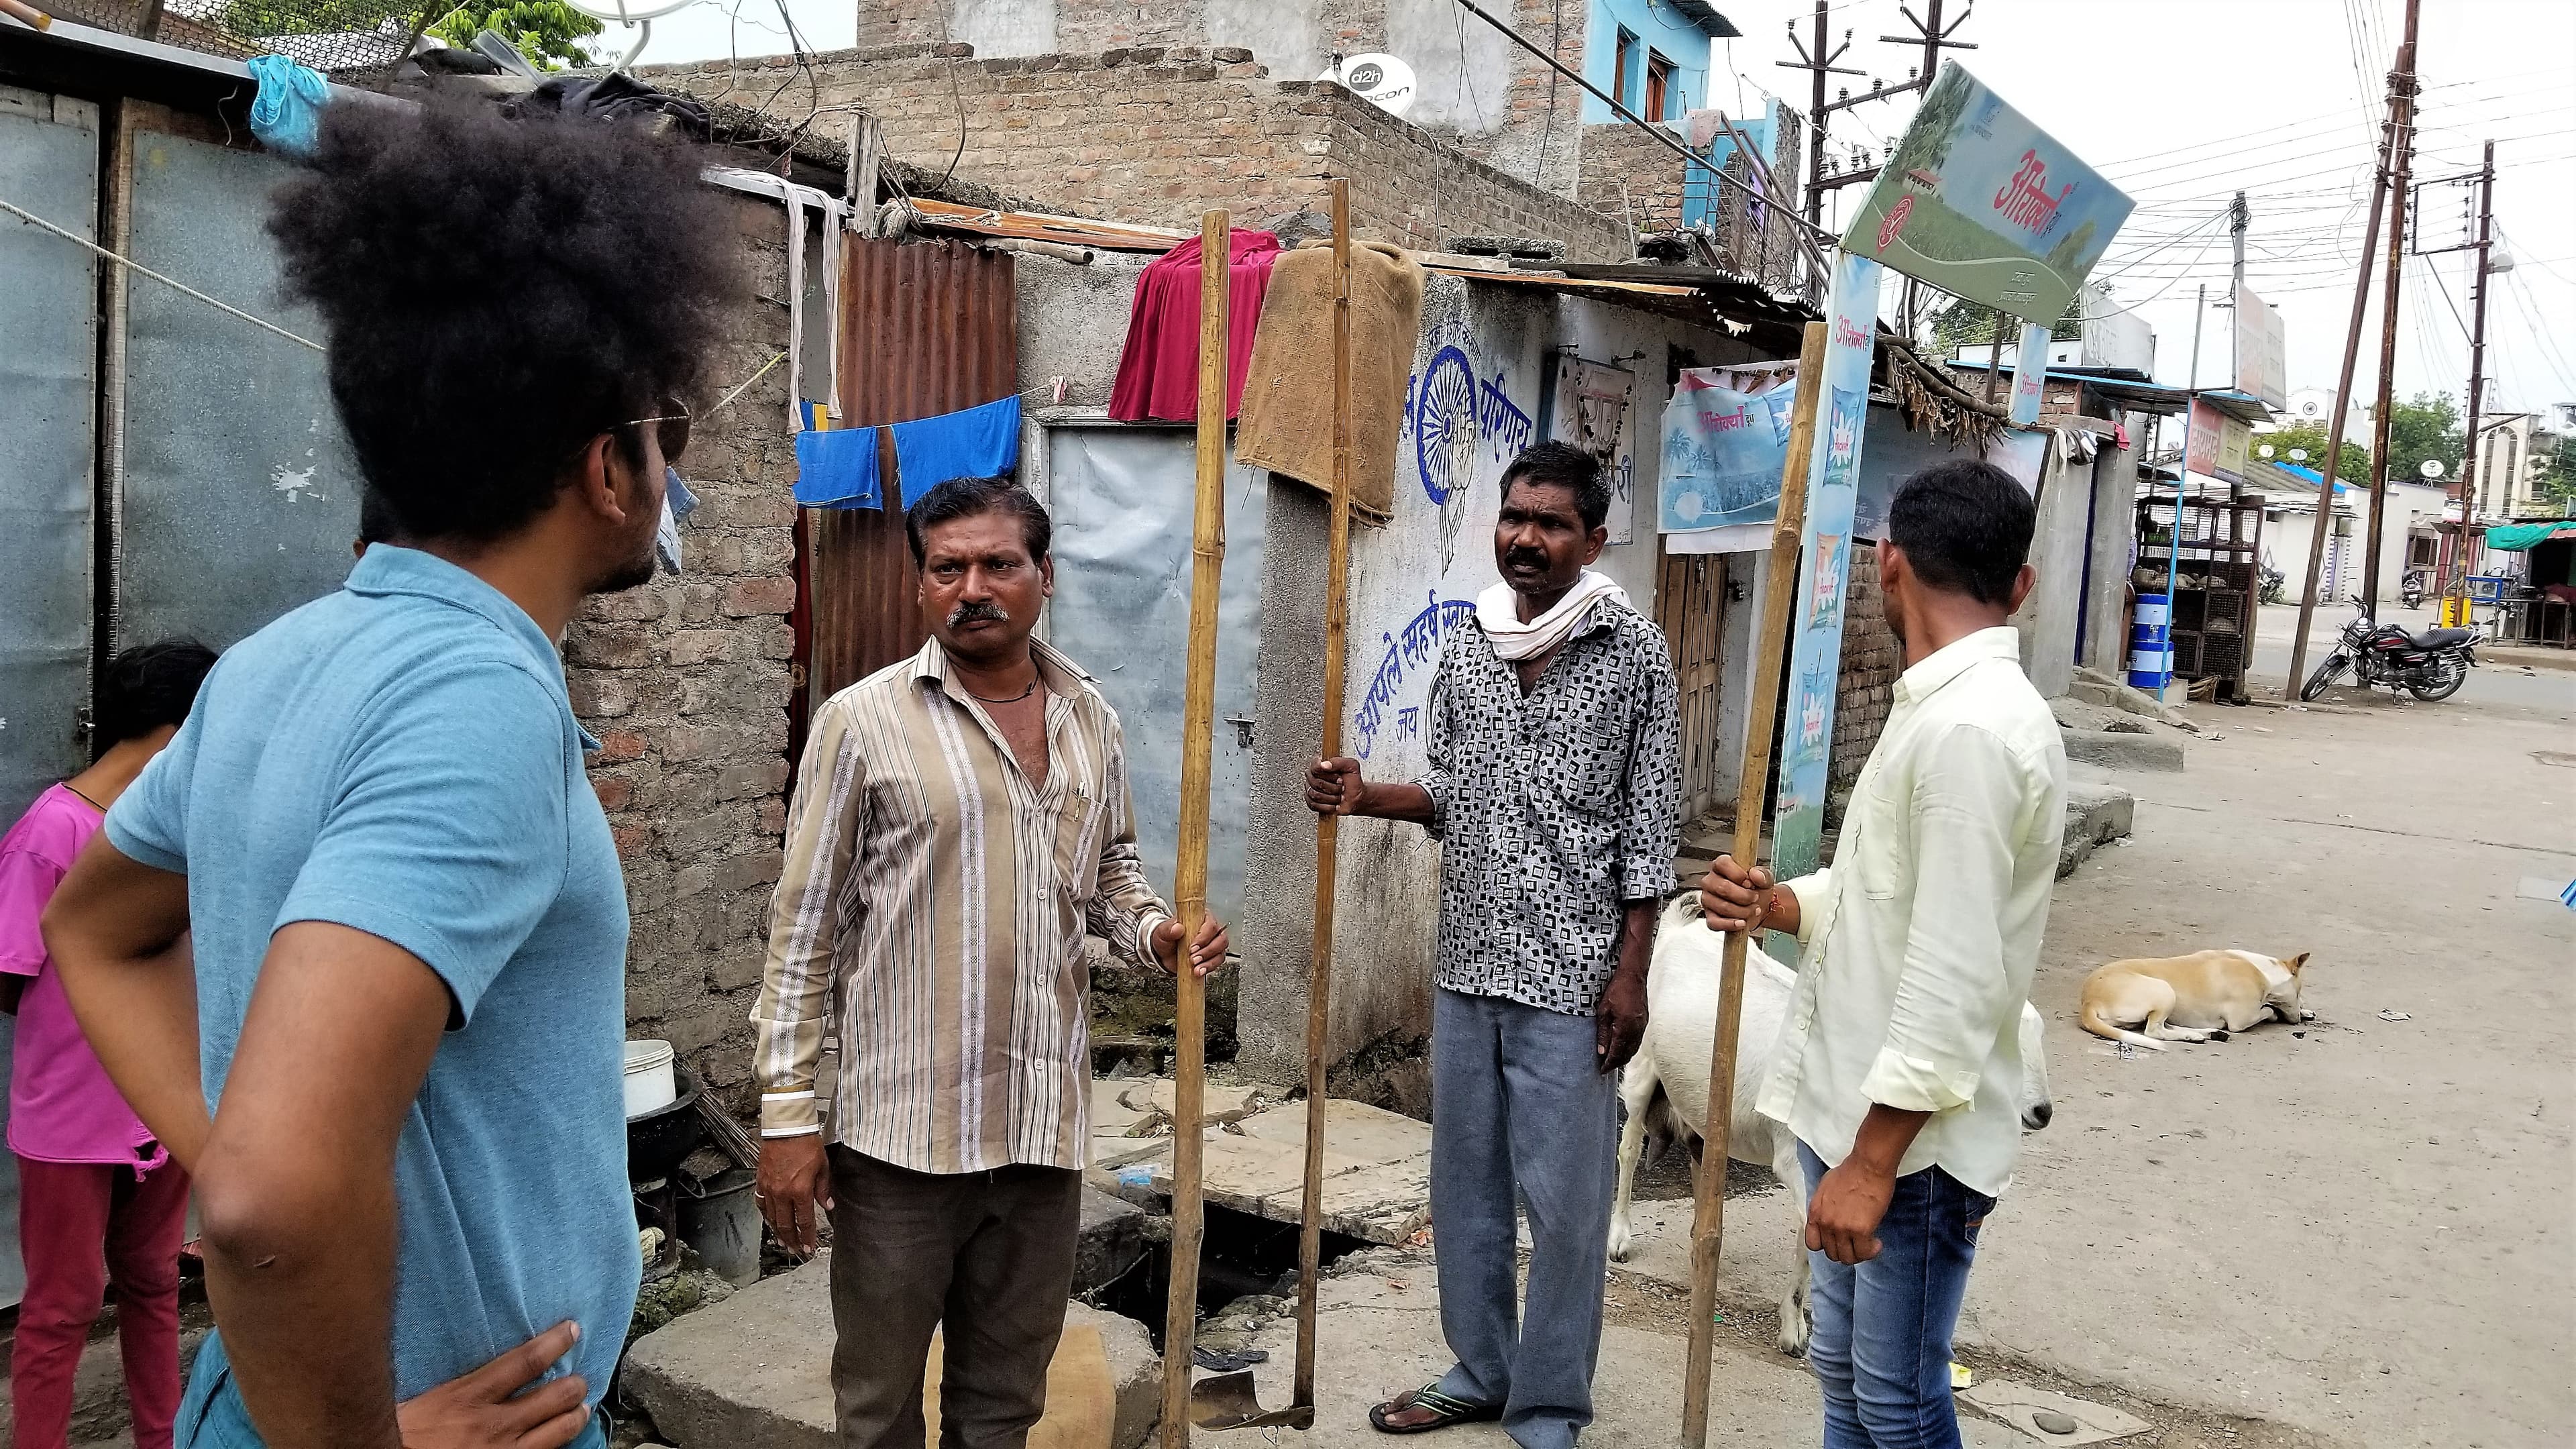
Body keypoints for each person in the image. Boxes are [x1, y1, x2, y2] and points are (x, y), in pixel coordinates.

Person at [38, 100, 741, 1449]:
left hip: (269, 1391)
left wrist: (223, 1136)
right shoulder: (477, 702)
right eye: (670, 433)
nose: (673, 469)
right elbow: (269, 1199)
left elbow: (97, 928)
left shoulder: (273, 662)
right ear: (610, 469)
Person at [753, 475, 1230, 1449]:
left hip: (1038, 1130)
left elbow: (1110, 874)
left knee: (1005, 1401)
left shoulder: (1087, 717)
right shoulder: (862, 722)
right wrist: (788, 1119)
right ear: (919, 588)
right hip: (901, 1139)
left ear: (1042, 577)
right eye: (948, 568)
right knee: (879, 1405)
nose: (973, 586)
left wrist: (1159, 935)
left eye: (998, 564)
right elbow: (802, 932)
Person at [1306, 441, 1680, 1449]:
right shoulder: (1469, 643)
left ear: (1594, 539)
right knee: (1464, 1188)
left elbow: (1648, 836)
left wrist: (1631, 974)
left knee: (1566, 1211)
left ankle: (1550, 1400)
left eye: (1552, 523)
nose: (1527, 538)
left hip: (1573, 974)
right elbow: (1457, 792)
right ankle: (1481, 1367)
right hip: (1468, 958)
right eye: (1516, 517)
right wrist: (1365, 794)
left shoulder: (1634, 654)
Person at [1699, 460, 2066, 1449]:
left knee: (1898, 1400)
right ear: (2020, 583)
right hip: (1857, 1109)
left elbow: (1952, 972)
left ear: (1886, 564)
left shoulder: (1972, 731)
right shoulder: (1934, 706)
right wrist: (1778, 902)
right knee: (1846, 1377)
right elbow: (1883, 895)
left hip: (1908, 1144)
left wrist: (1871, 1161)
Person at [2, 639, 217, 1449]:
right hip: (67, 1121)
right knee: (59, 1307)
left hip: (162, 1104)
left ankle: (163, 1437)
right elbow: (11, 975)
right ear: (178, 730)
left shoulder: (174, 829)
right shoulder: (52, 831)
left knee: (155, 1283)